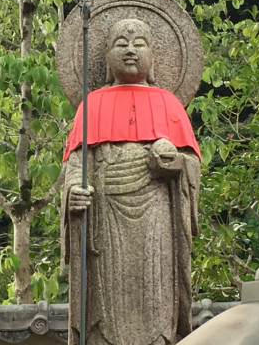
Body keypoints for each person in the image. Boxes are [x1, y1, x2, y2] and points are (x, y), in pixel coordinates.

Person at [62, 19, 201, 345]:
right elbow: (76, 164)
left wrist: (176, 163)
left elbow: (192, 166)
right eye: (120, 43)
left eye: (139, 42)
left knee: (156, 291)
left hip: (157, 216)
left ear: (154, 53)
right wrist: (73, 192)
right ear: (107, 55)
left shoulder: (169, 104)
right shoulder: (91, 104)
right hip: (105, 217)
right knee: (106, 298)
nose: (130, 50)